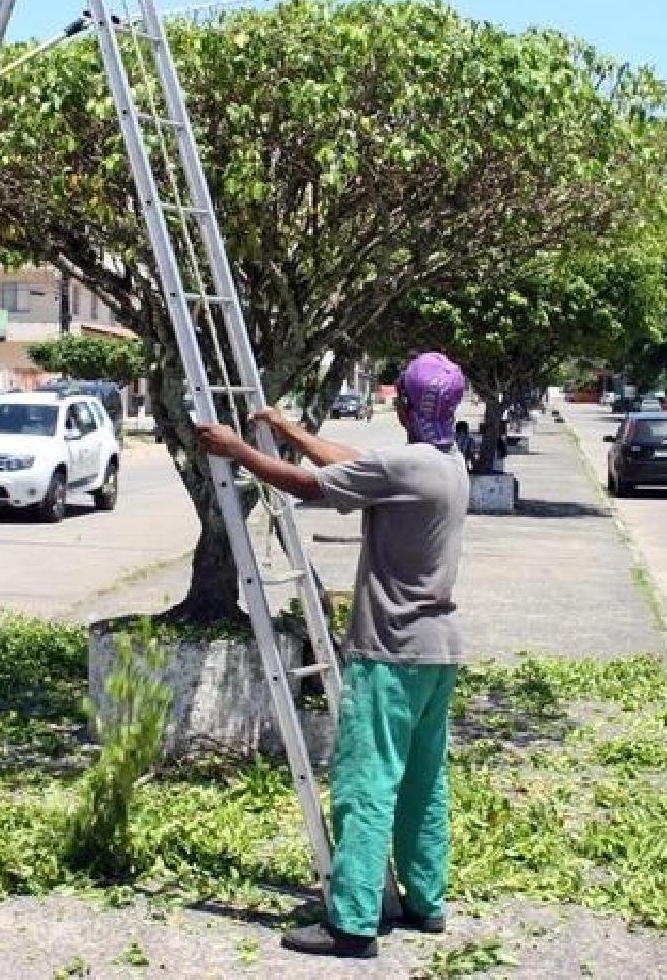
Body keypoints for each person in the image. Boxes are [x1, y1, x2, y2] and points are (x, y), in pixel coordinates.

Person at [195, 351, 469, 960]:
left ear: (403, 405)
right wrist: (290, 430)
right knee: (424, 783)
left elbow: (307, 486)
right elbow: (359, 466)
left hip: (392, 652)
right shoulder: (446, 463)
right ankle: (425, 902)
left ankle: (352, 923)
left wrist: (238, 450)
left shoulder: (411, 468)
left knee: (366, 782)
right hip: (438, 653)